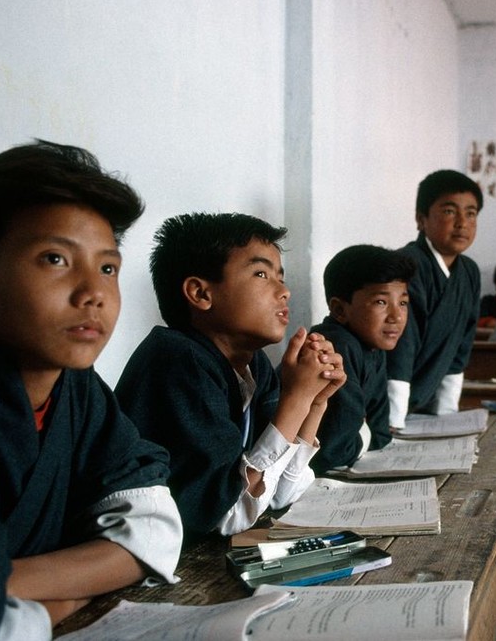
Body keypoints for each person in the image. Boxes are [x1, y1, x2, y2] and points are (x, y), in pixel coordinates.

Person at [0, 141, 183, 639]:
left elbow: (154, 531)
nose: (93, 292)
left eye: (108, 267)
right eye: (54, 258)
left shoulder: (79, 393)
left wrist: (2, 582)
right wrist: (64, 596)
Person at [115, 213, 346, 536]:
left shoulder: (253, 365)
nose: (284, 291)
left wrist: (314, 402)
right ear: (200, 294)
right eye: (262, 273)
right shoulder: (178, 361)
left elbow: (280, 494)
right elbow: (226, 515)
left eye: (281, 276)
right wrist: (296, 399)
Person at [387, 169, 483, 429]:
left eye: (471, 213)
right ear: (421, 219)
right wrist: (393, 420)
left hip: (423, 405)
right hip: (385, 401)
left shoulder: (469, 272)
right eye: (450, 211)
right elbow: (401, 347)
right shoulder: (406, 264)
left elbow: (461, 345)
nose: (462, 222)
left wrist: (446, 414)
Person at [308, 245, 416, 473]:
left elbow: (381, 434)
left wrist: (364, 432)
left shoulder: (372, 347)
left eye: (403, 303)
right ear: (339, 309)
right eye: (381, 302)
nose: (396, 316)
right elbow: (332, 452)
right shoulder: (335, 348)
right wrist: (364, 431)